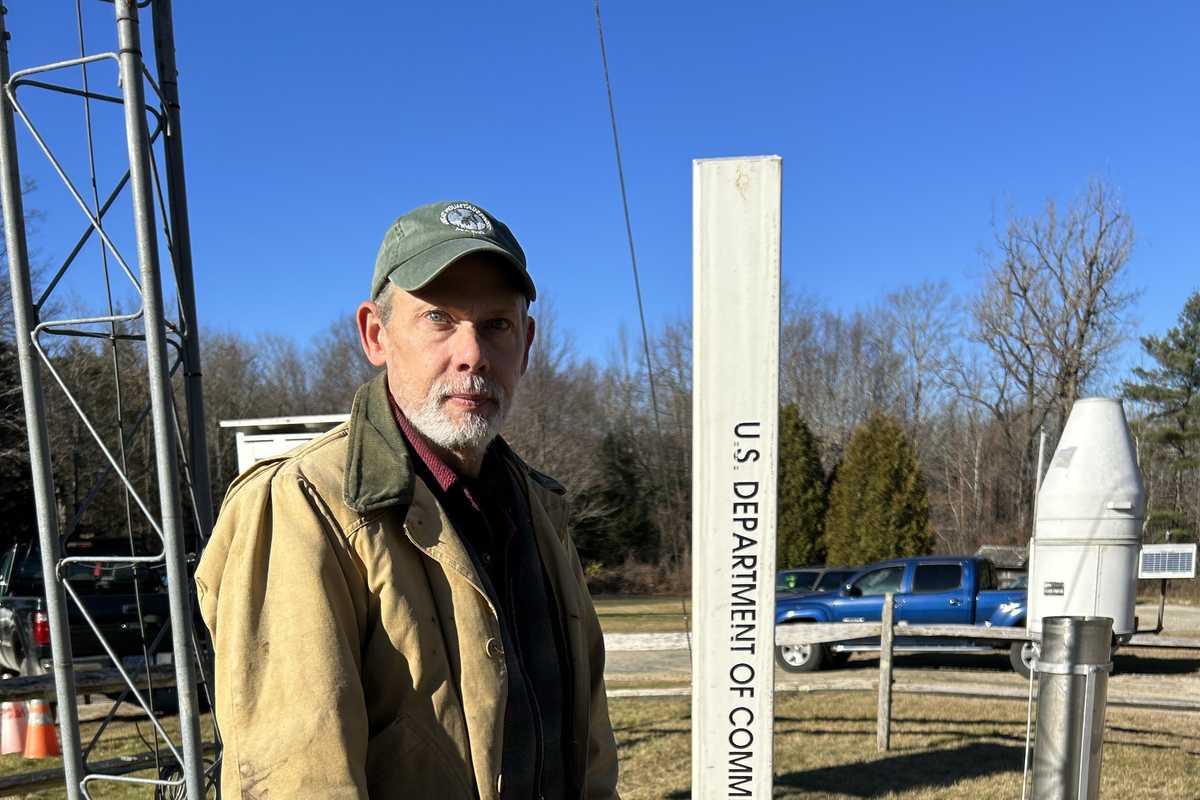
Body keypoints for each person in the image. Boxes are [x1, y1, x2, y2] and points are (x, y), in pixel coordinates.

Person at [195, 201, 620, 799]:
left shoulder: (541, 508)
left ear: (526, 344)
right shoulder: (304, 504)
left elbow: (589, 740)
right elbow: (298, 780)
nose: (471, 354)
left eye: (496, 324)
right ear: (376, 334)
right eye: (440, 318)